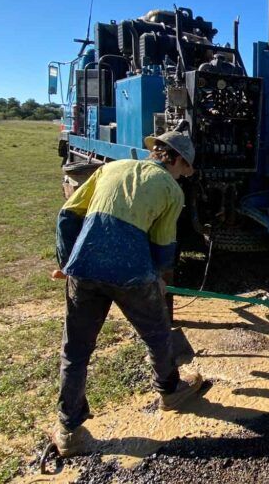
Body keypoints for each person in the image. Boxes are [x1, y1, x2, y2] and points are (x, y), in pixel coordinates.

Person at [51, 131, 203, 457]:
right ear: (175, 159)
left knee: (76, 350)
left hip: (85, 271)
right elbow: (163, 248)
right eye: (184, 168)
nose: (183, 175)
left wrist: (67, 263)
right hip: (132, 276)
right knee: (158, 333)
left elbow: (67, 215)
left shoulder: (111, 168)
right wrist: (159, 277)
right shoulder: (171, 190)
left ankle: (69, 431)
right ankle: (170, 391)